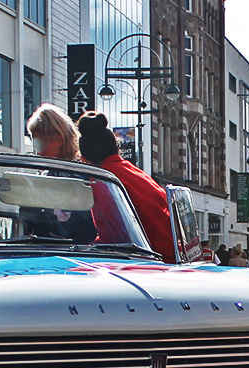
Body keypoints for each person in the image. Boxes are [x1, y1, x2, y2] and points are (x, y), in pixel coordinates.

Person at [75, 112, 176, 263]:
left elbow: (113, 238)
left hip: (154, 262)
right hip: (169, 256)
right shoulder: (133, 172)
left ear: (83, 160)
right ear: (116, 149)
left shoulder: (104, 181)